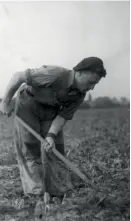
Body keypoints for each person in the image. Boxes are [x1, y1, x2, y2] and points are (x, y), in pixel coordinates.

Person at [0, 57, 107, 204]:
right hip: (28, 104)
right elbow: (19, 76)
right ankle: (35, 194)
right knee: (30, 150)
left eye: (95, 84)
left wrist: (51, 135)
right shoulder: (54, 74)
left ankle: (57, 192)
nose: (92, 87)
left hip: (51, 111)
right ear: (81, 73)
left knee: (56, 149)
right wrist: (5, 101)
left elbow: (63, 116)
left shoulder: (79, 94)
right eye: (91, 82)